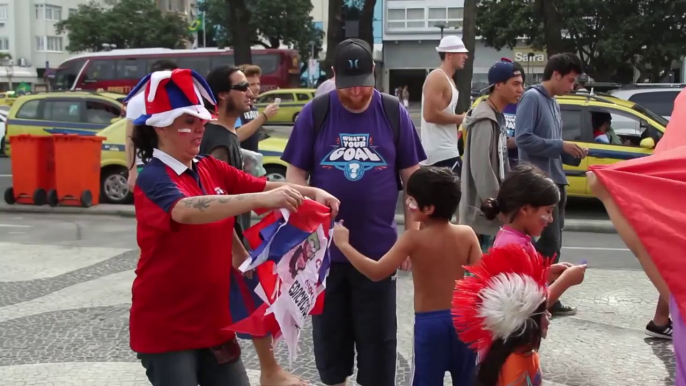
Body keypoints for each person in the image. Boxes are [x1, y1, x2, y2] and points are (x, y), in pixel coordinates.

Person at [126, 68, 340, 386]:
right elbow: (185, 211)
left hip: (214, 323)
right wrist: (257, 200)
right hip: (167, 328)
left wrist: (312, 192)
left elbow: (262, 186)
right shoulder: (154, 177)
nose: (200, 129)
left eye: (201, 121)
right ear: (160, 128)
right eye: (189, 122)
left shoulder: (209, 167)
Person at [281, 38, 426, 386]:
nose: (357, 94)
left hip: (379, 252)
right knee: (331, 342)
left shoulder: (393, 112)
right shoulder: (317, 112)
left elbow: (414, 180)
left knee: (378, 342)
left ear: (373, 73)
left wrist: (412, 237)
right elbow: (295, 176)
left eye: (363, 84)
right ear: (333, 76)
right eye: (348, 87)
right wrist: (301, 231)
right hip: (324, 255)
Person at [199, 65, 305, 385]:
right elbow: (216, 202)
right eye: (242, 86)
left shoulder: (227, 134)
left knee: (246, 304)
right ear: (221, 94)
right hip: (225, 244)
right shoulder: (216, 140)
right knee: (254, 302)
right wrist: (236, 248)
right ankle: (269, 371)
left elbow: (238, 190)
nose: (251, 92)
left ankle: (263, 369)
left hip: (232, 240)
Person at [331, 166, 481, 385]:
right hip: (465, 320)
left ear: (428, 208)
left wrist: (344, 245)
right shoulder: (467, 233)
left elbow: (376, 272)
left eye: (411, 201)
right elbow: (483, 278)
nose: (408, 205)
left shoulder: (413, 239)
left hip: (430, 324)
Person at [514, 52, 588, 316]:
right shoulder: (532, 98)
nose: (572, 86)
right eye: (569, 80)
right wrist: (560, 145)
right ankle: (541, 298)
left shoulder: (554, 102)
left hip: (556, 180)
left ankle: (546, 296)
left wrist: (569, 151)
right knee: (546, 244)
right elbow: (523, 139)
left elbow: (548, 145)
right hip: (539, 183)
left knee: (553, 245)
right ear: (555, 74)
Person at [481, 163, 587, 307]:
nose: (551, 219)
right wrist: (566, 281)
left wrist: (545, 273)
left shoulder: (513, 238)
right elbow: (528, 306)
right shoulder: (514, 247)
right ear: (525, 209)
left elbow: (524, 282)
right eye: (548, 211)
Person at [453, 244, 552, 386]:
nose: (549, 316)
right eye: (544, 312)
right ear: (528, 322)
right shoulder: (516, 361)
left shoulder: (526, 353)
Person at [460, 60, 524, 251]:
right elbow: (482, 169)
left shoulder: (497, 115)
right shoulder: (485, 119)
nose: (520, 89)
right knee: (484, 277)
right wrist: (498, 208)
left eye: (522, 84)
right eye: (515, 84)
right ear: (498, 85)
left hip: (491, 214)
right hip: (484, 217)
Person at [125, 59, 178, 190]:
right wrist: (132, 173)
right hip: (145, 165)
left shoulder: (180, 101)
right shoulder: (138, 101)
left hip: (174, 164)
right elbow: (130, 139)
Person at [421, 35, 468, 173]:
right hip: (440, 155)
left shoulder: (449, 80)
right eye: (462, 52)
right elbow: (429, 115)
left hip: (446, 152)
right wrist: (461, 118)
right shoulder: (437, 77)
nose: (465, 56)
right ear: (449, 55)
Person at [234, 64, 279, 152]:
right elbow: (237, 136)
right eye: (252, 84)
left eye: (258, 83)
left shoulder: (253, 108)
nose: (257, 88)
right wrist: (264, 116)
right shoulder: (236, 108)